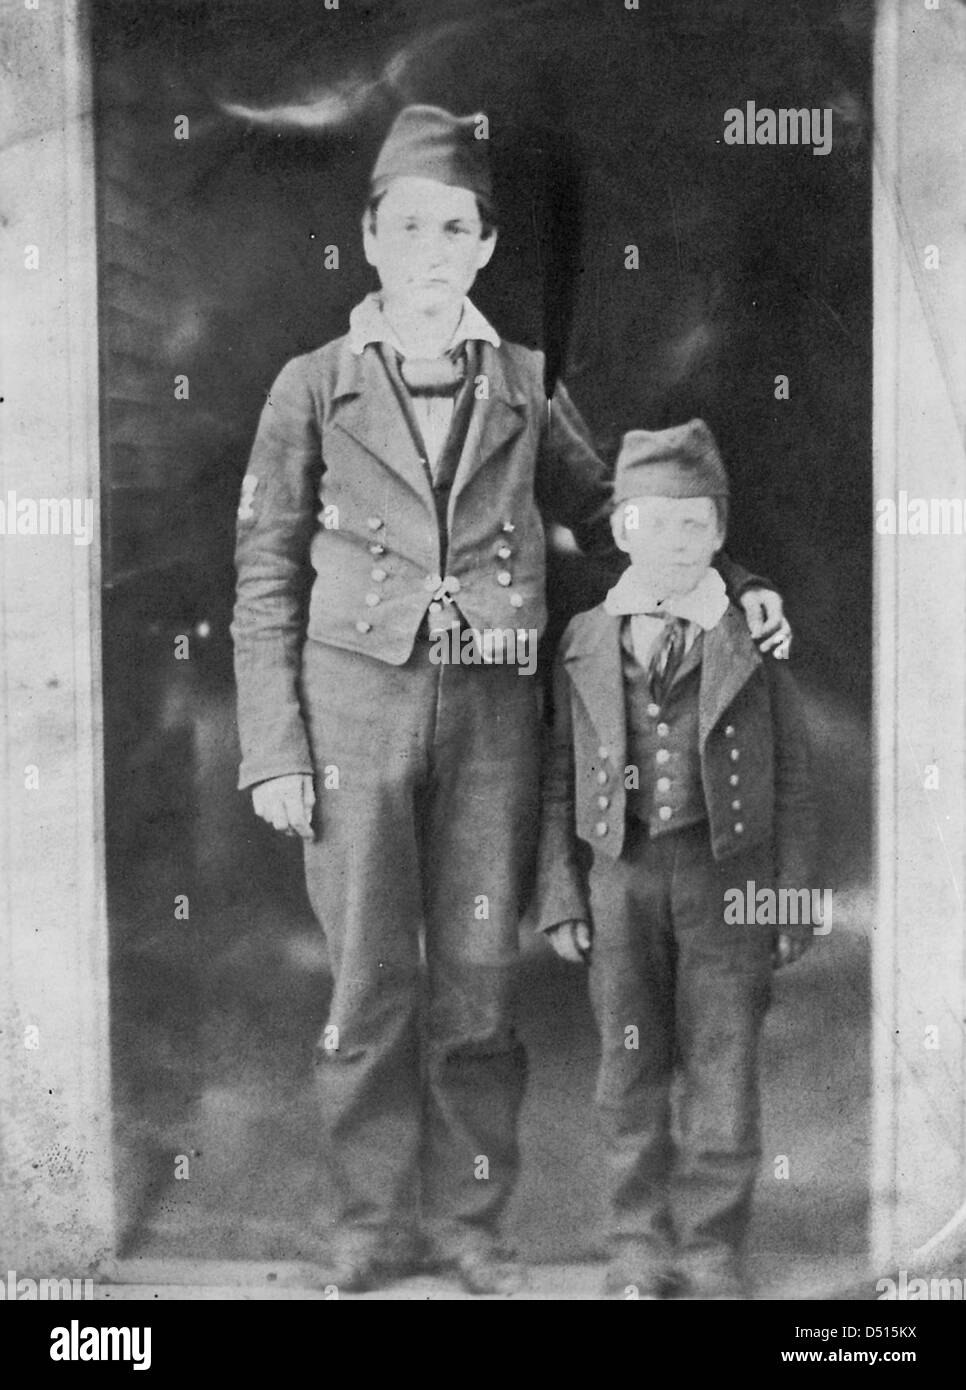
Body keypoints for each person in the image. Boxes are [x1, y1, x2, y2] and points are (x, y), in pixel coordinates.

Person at [231, 106, 790, 1295]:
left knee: (480, 982)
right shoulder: (312, 388)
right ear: (372, 240)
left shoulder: (526, 388)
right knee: (367, 982)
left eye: (455, 228)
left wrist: (737, 592)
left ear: (484, 249)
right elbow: (266, 571)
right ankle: (370, 1226)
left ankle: (470, 1230)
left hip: (495, 723)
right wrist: (276, 746)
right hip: (350, 724)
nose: (432, 249)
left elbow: (612, 519)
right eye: (409, 226)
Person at [534, 420, 817, 1300]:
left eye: (696, 524)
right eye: (657, 523)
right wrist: (561, 896)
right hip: (619, 881)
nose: (677, 541)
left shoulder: (751, 640)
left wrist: (790, 902)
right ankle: (634, 1243)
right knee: (628, 1062)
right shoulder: (582, 639)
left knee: (724, 1057)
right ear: (622, 530)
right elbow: (554, 781)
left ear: (721, 535)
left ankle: (710, 1246)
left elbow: (796, 781)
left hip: (727, 880)